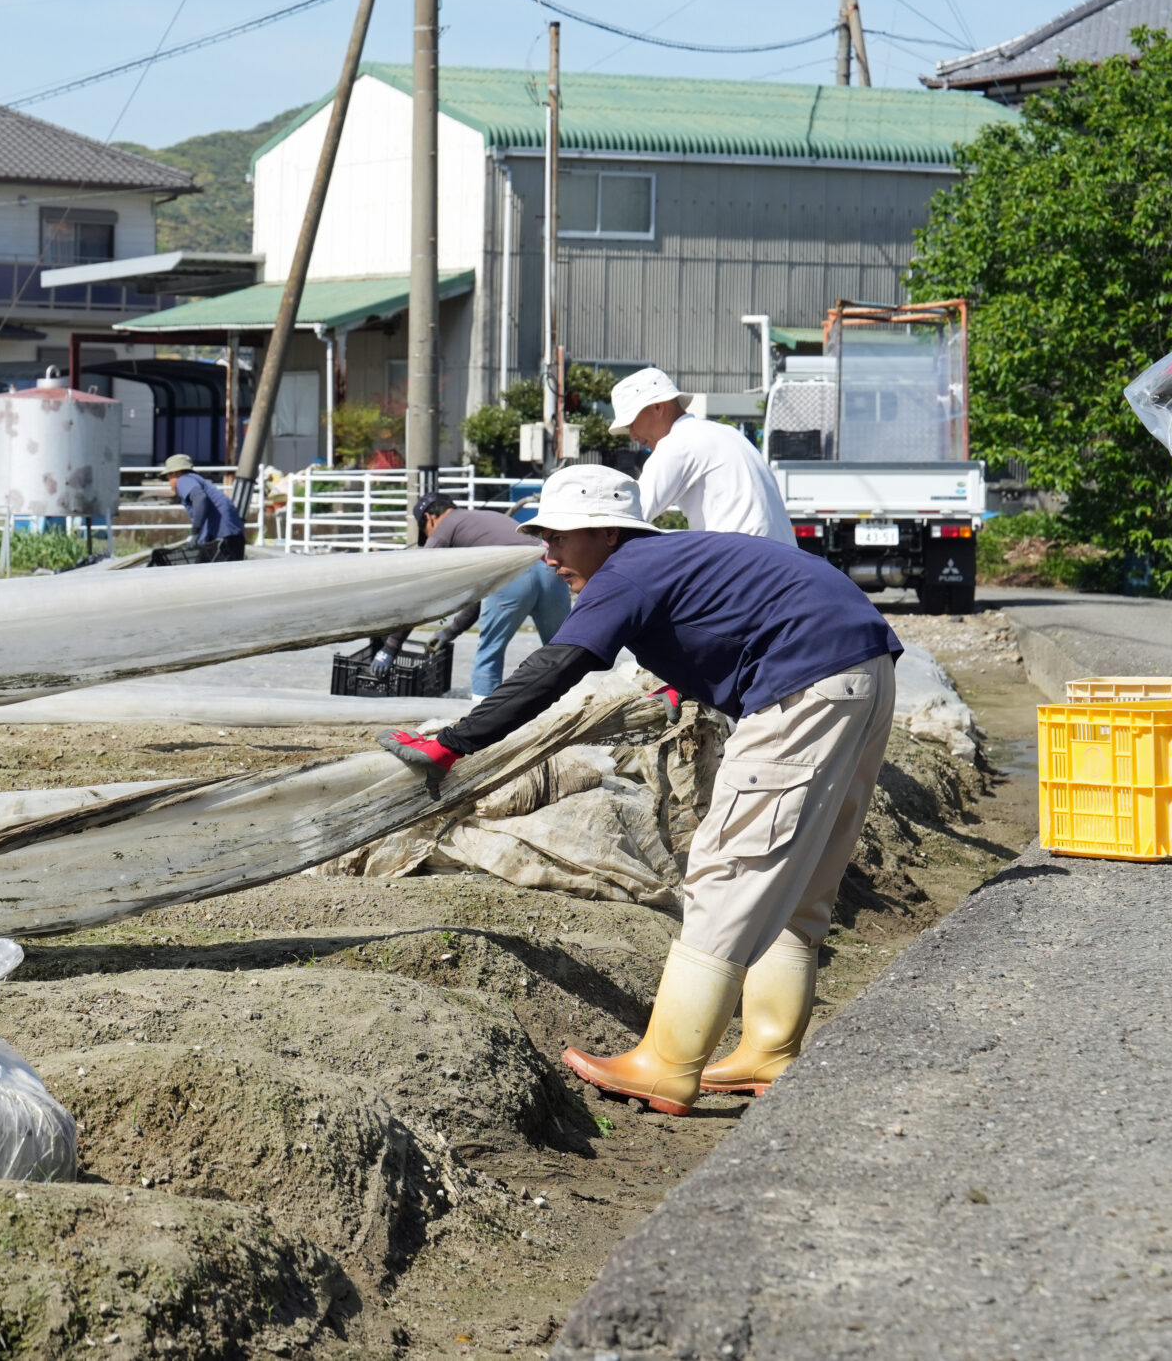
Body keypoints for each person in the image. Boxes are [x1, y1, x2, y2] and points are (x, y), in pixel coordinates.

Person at [377, 465, 900, 1112]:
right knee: (801, 876)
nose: (549, 554)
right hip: (864, 671)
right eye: (544, 538)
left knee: (728, 869)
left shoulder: (625, 570)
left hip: (806, 685)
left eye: (559, 537)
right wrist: (685, 681)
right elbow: (734, 618)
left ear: (606, 532)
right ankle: (769, 1049)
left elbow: (558, 665)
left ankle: (668, 1064)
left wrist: (454, 740)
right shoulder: (671, 558)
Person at [608, 366, 794, 542]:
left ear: (657, 407)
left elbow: (629, 515)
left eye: (631, 424)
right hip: (786, 558)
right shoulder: (727, 433)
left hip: (747, 560)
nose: (632, 436)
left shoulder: (678, 442)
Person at [416, 493, 572, 697]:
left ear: (429, 518)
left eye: (426, 533)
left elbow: (418, 587)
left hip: (512, 574)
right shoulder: (484, 520)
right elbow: (479, 599)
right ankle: (574, 704)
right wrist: (449, 632)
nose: (430, 537)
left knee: (490, 654)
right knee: (562, 651)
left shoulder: (445, 526)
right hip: (549, 569)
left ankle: (482, 712)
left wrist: (389, 648)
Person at [158, 453, 245, 562]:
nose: (170, 484)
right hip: (231, 536)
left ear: (176, 473)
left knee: (203, 569)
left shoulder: (183, 480)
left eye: (169, 478)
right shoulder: (197, 480)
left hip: (223, 539)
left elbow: (200, 498)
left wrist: (195, 532)